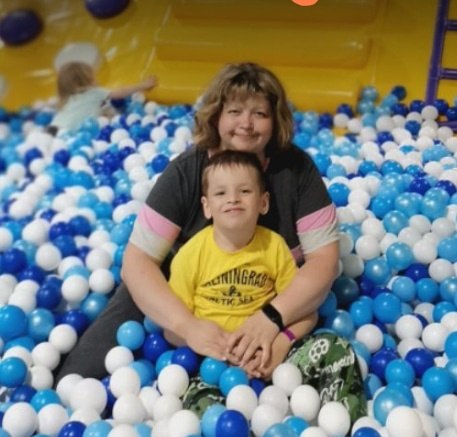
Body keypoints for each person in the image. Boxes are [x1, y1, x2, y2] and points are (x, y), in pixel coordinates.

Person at [55, 62, 366, 422]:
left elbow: (323, 262)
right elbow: (138, 263)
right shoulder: (187, 171)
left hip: (270, 295)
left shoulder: (295, 170)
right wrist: (188, 327)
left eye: (260, 114)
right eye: (234, 112)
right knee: (82, 376)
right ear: (216, 116)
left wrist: (273, 321)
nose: (246, 124)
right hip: (188, 292)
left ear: (275, 121)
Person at [166, 149, 318, 379]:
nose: (233, 199)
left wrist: (281, 345)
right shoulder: (190, 255)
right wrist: (206, 342)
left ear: (263, 202)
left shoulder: (274, 247)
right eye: (221, 193)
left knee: (336, 349)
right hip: (208, 367)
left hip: (268, 359)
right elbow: (171, 329)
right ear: (207, 206)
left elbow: (306, 311)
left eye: (244, 191)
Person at [49, 61, 157, 133]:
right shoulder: (94, 92)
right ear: (87, 80)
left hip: (54, 127)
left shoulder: (66, 97)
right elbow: (120, 92)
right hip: (70, 132)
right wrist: (142, 85)